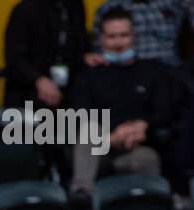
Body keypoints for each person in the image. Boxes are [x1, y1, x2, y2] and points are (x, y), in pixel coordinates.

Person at [68, 7, 187, 194]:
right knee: (88, 132)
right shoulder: (88, 76)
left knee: (147, 158)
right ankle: (82, 196)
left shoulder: (152, 71)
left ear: (134, 37)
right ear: (101, 39)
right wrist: (111, 139)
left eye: (124, 35)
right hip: (97, 148)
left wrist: (142, 125)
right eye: (112, 36)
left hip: (135, 146)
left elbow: (164, 111)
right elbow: (79, 115)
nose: (118, 42)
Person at [3, 0, 88, 109]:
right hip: (29, 89)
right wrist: (38, 79)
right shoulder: (26, 9)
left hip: (68, 88)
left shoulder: (75, 7)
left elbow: (79, 44)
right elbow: (14, 59)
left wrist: (84, 56)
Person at [92, 0, 194, 66]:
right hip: (128, 74)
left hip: (170, 68)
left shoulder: (174, 3)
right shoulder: (110, 8)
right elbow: (99, 50)